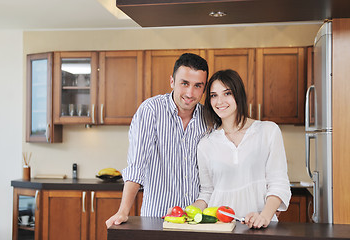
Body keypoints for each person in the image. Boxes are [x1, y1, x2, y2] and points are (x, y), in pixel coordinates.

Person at [106, 53, 209, 228]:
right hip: (156, 219)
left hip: (197, 221)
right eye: (184, 83)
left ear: (204, 88)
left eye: (197, 86)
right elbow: (137, 164)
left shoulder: (209, 118)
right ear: (172, 82)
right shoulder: (151, 111)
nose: (190, 93)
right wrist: (123, 211)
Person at [192, 69, 291, 229]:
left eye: (227, 93)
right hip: (219, 229)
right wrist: (186, 213)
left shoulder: (268, 131)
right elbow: (207, 192)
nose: (219, 101)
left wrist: (264, 216)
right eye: (213, 95)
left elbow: (278, 183)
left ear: (238, 95)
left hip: (261, 227)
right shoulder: (205, 144)